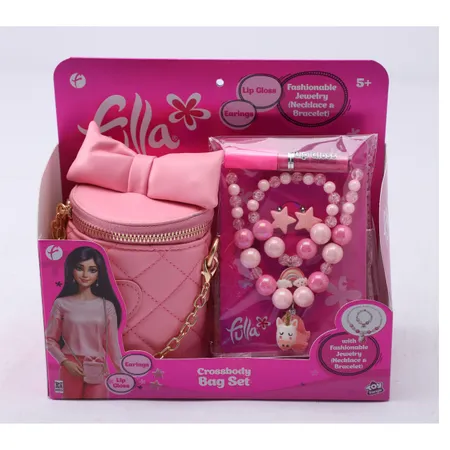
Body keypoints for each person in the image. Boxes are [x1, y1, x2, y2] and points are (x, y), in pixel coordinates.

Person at [45, 246, 123, 399]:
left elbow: (113, 345)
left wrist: (125, 374)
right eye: (80, 268)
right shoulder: (61, 304)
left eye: (92, 270)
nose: (85, 275)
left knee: (98, 405)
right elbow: (49, 339)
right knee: (69, 408)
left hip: (98, 366)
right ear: (72, 270)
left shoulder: (106, 306)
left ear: (99, 273)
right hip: (71, 364)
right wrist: (64, 362)